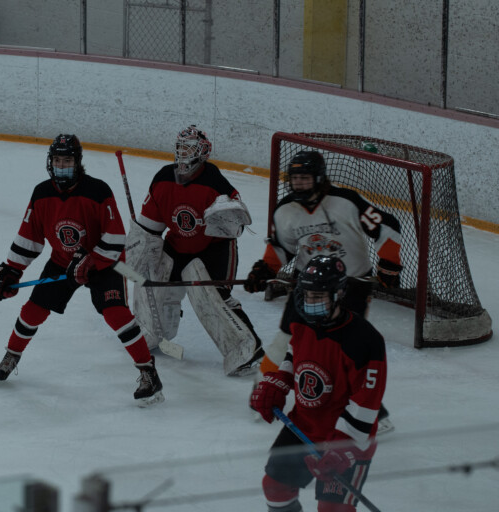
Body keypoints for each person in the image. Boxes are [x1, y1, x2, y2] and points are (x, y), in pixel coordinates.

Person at [0, 134, 164, 407]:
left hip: (104, 262)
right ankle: (12, 355)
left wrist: (92, 261)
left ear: (78, 162)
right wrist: (11, 271)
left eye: (67, 160)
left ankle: (148, 372)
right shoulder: (41, 194)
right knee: (32, 310)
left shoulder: (98, 191)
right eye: (57, 160)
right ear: (50, 162)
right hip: (63, 261)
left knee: (116, 314)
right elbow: (29, 236)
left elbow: (116, 237)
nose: (62, 165)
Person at [245, 150, 400, 432]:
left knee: (344, 349)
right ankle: (265, 390)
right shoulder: (285, 210)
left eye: (305, 178)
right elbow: (282, 247)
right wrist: (265, 269)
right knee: (287, 336)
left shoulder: (346, 201)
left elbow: (388, 226)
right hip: (309, 283)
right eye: (295, 179)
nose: (300, 184)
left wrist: (390, 264)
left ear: (319, 178)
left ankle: (371, 411)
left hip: (350, 286)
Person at [250, 254, 387, 512]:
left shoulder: (365, 341)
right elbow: (294, 356)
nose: (310, 302)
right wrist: (279, 381)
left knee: (332, 509)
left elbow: (366, 404)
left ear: (338, 294)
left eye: (318, 296)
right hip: (302, 427)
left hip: (346, 438)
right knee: (275, 487)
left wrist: (341, 448)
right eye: (307, 294)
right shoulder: (303, 322)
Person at [126, 125, 263, 376]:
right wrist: (139, 249)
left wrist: (228, 217)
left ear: (203, 152)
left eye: (189, 149)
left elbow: (236, 228)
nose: (183, 154)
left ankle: (245, 348)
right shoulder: (163, 179)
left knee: (210, 297)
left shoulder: (215, 182)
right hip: (176, 245)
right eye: (180, 148)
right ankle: (150, 331)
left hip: (213, 249)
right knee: (150, 279)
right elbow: (150, 227)